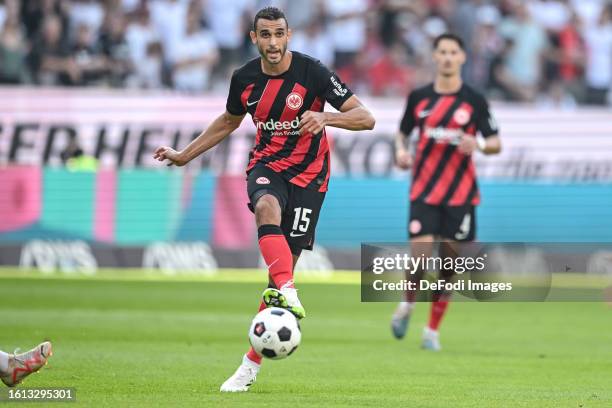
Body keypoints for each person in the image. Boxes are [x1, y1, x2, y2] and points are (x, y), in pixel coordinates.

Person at [153, 7, 374, 392]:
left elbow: (365, 117)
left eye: (279, 34)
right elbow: (228, 120)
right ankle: (288, 291)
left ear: (289, 35)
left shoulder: (314, 73)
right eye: (265, 35)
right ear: (254, 38)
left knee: (276, 272)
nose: (273, 43)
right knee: (265, 207)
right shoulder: (245, 79)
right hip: (267, 166)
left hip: (311, 179)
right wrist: (184, 155)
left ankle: (250, 363)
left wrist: (326, 119)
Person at [391, 33, 501, 350]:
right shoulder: (420, 97)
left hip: (461, 195)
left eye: (454, 51)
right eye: (443, 52)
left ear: (463, 57)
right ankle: (407, 305)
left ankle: (431, 331)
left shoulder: (474, 100)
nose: (449, 57)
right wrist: (401, 153)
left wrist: (477, 143)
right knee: (420, 258)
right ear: (435, 57)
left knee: (448, 267)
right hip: (424, 190)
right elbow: (401, 134)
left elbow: (495, 142)